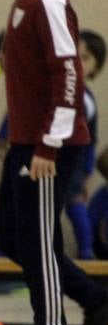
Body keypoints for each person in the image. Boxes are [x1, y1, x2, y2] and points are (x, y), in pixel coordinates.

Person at [0, 0, 108, 325]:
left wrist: (48, 147)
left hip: (47, 147)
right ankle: (95, 301)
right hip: (26, 141)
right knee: (14, 237)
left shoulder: (50, 1)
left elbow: (69, 77)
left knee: (38, 242)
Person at [65, 31, 104, 258]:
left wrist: (87, 171)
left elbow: (89, 141)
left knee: (75, 206)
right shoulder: (55, 90)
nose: (77, 62)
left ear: (95, 68)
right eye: (73, 55)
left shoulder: (85, 100)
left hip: (72, 166)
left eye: (85, 57)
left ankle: (87, 255)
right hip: (48, 160)